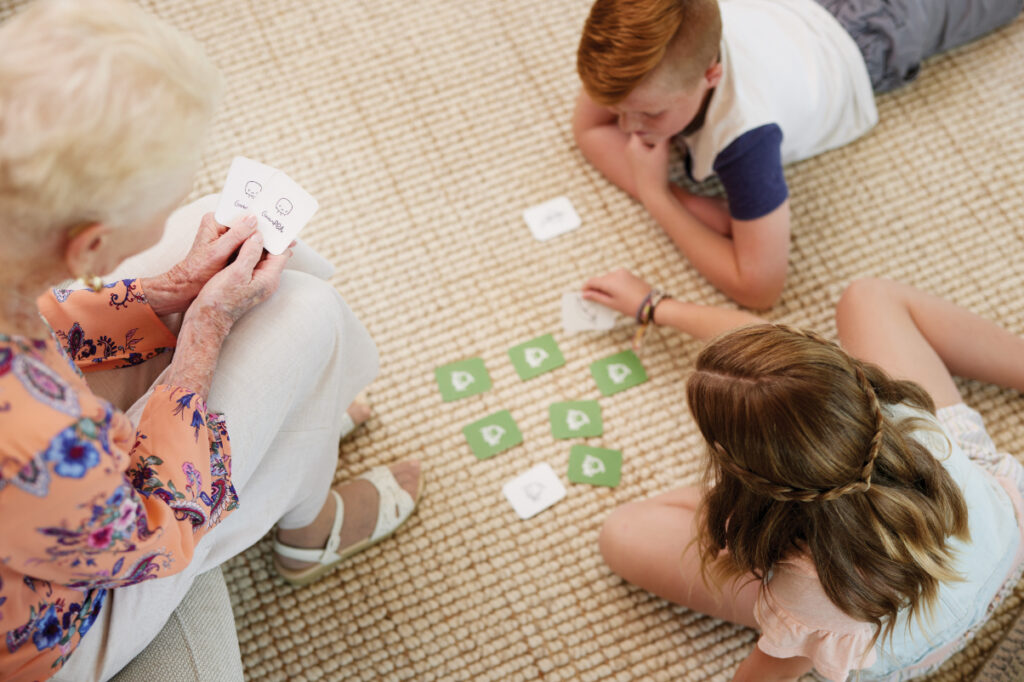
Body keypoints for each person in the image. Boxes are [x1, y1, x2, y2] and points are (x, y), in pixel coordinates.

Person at [0, 2, 422, 680]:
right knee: (304, 312)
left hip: (48, 502)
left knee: (222, 231)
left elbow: (31, 314)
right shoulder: (48, 442)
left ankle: (304, 419)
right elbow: (152, 533)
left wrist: (162, 295)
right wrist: (202, 334)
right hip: (55, 619)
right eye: (160, 200)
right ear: (90, 244)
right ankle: (307, 530)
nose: (173, 204)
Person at [583, 269, 1024, 680]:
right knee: (868, 296)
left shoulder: (812, 591)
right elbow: (775, 376)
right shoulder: (903, 410)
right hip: (1005, 538)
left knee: (622, 532)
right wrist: (654, 304)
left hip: (910, 644)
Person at [573, 0, 1023, 308]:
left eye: (648, 114)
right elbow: (589, 128)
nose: (629, 128)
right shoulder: (638, 63)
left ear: (711, 75)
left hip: (881, 31)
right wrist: (696, 204)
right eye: (618, 109)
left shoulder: (745, 137)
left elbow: (760, 287)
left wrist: (659, 197)